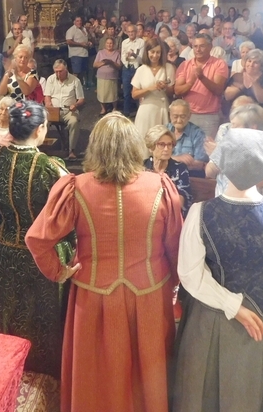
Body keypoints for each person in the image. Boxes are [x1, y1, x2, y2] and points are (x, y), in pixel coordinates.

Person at [26, 113, 183, 412]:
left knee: (96, 375)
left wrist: (59, 272)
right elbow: (175, 246)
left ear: (95, 146)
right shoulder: (161, 187)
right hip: (149, 294)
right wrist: (174, 282)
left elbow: (37, 239)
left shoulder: (76, 187)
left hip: (94, 296)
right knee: (147, 373)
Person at [173, 128, 263, 412]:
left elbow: (189, 274)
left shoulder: (200, 213)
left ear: (223, 163)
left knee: (205, 394)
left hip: (211, 320)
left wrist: (230, 304)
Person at [0, 100, 70, 378]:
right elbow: (67, 221)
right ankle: (37, 373)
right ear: (41, 129)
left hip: (1, 246)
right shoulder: (51, 168)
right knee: (36, 318)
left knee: (2, 308)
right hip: (38, 257)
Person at [206, 103, 263, 198]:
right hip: (222, 204)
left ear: (252, 128)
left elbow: (252, 184)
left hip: (257, 208)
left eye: (235, 126)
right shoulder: (227, 144)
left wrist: (224, 155)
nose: (231, 130)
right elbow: (208, 173)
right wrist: (218, 155)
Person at [174, 33, 228, 138]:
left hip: (209, 116)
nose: (198, 50)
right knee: (187, 149)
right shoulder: (185, 65)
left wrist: (202, 77)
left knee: (205, 151)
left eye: (202, 46)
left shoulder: (219, 64)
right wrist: (191, 82)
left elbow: (218, 90)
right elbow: (177, 91)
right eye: (195, 46)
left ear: (210, 47)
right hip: (187, 115)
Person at [131, 36, 176, 138]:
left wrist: (165, 87)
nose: (155, 55)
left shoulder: (168, 68)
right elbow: (134, 94)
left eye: (158, 52)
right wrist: (149, 88)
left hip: (162, 108)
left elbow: (171, 93)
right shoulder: (141, 70)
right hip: (146, 110)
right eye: (152, 52)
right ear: (147, 52)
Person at [143, 125, 192, 212]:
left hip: (171, 216)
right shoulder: (141, 168)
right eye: (161, 145)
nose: (166, 149)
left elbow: (181, 201)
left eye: (169, 145)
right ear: (151, 147)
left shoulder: (180, 169)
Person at [44, 60, 85, 160]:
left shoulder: (75, 80)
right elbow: (47, 96)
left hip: (68, 111)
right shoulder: (51, 79)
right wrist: (48, 103)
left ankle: (72, 150)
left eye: (60, 71)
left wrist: (75, 105)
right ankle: (43, 149)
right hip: (54, 110)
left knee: (74, 121)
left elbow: (81, 99)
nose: (58, 74)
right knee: (42, 121)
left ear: (66, 69)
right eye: (56, 71)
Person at [167, 99, 209, 174]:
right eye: (175, 117)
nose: (179, 120)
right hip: (166, 174)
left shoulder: (198, 133)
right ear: (170, 115)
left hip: (189, 176)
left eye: (182, 116)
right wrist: (177, 159)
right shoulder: (164, 130)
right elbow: (155, 158)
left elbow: (200, 164)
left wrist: (167, 160)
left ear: (189, 116)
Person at [120, 23, 145, 117]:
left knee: (138, 91)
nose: (131, 33)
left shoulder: (141, 42)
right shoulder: (124, 42)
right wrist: (126, 58)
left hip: (137, 68)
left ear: (136, 32)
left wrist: (134, 55)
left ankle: (140, 112)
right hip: (127, 68)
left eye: (133, 31)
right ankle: (126, 112)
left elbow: (141, 58)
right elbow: (122, 56)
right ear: (126, 32)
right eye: (129, 32)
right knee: (126, 91)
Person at [93, 35, 121, 115]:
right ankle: (103, 109)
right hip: (101, 76)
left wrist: (111, 62)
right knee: (102, 93)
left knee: (113, 93)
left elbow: (119, 66)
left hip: (112, 77)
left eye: (111, 43)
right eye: (108, 43)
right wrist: (104, 62)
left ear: (114, 44)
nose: (109, 45)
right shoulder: (100, 52)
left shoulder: (116, 53)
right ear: (105, 44)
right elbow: (94, 64)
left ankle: (114, 108)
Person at [65, 16, 90, 83]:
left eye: (80, 20)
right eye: (77, 21)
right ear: (74, 22)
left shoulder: (84, 29)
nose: (79, 22)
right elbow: (69, 42)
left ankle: (81, 86)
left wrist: (89, 43)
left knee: (83, 72)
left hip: (84, 54)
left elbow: (85, 38)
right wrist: (80, 44)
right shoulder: (71, 30)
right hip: (76, 55)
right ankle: (73, 85)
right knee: (76, 72)